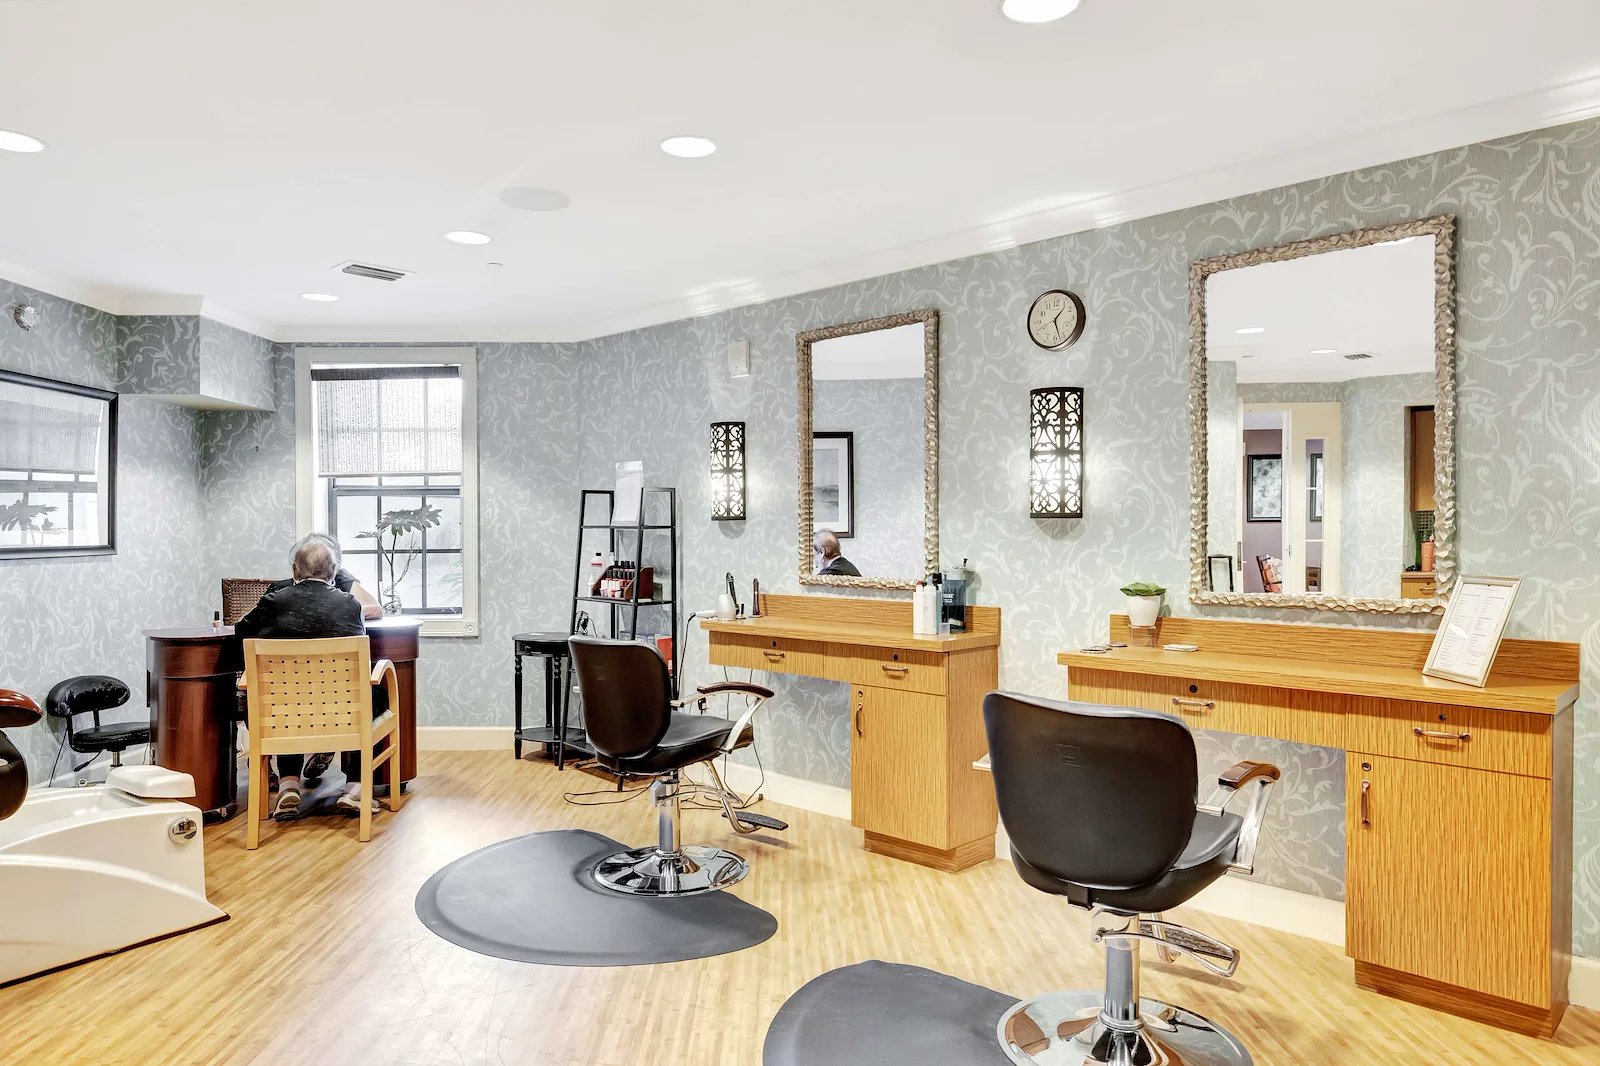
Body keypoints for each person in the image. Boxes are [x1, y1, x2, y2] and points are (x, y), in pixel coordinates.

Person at [235, 537, 385, 820]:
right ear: (333, 572)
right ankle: (354, 789)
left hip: (284, 711)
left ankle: (288, 786)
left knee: (282, 696)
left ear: (294, 570)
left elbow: (240, 637)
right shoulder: (350, 605)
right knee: (375, 691)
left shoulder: (271, 603)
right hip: (341, 711)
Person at [266, 532, 382, 620]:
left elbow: (374, 609)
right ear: (296, 567)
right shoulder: (278, 591)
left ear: (334, 569)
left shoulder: (341, 577)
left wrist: (331, 613)